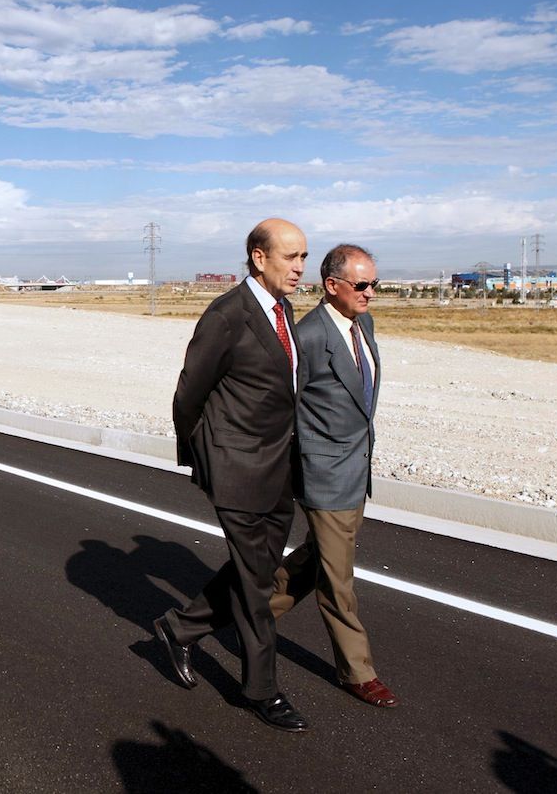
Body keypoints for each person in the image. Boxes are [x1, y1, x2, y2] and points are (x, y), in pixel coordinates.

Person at [154, 218, 310, 732]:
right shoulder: (227, 315)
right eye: (290, 257)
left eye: (304, 257)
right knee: (254, 586)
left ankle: (178, 628)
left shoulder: (282, 310)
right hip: (237, 469)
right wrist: (204, 458)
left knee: (258, 573)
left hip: (278, 466)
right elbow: (188, 395)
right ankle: (262, 691)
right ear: (259, 258)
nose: (300, 267)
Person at [269, 245, 398, 708]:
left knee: (315, 560)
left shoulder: (363, 324)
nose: (370, 294)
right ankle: (357, 672)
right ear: (332, 286)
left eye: (374, 284)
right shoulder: (308, 336)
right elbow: (287, 407)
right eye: (361, 285)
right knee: (337, 581)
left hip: (355, 468)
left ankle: (246, 614)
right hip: (323, 474)